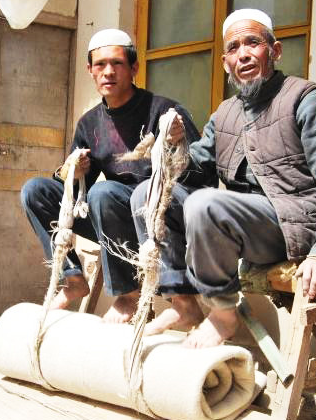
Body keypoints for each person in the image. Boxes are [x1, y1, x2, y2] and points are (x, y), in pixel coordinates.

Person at [131, 9, 316, 347]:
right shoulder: (225, 114)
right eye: (234, 48)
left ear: (275, 51)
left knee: (205, 204)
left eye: (253, 43)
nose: (244, 54)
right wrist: (176, 145)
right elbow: (195, 173)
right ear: (226, 63)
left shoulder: (307, 100)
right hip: (246, 228)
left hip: (297, 228)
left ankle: (222, 313)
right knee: (146, 195)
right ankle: (183, 301)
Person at [21, 29, 208, 322]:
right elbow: (69, 192)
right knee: (35, 191)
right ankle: (72, 280)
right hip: (112, 221)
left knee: (103, 192)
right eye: (100, 65)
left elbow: (203, 175)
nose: (108, 72)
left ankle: (128, 296)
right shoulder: (89, 122)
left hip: (159, 219)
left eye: (117, 63)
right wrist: (70, 171)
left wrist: (175, 147)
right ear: (90, 71)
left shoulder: (165, 112)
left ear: (134, 68)